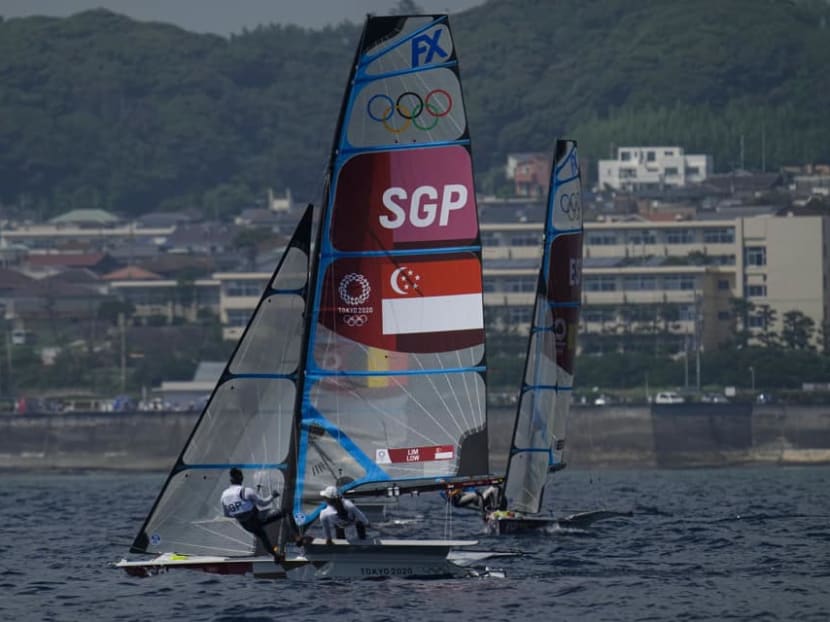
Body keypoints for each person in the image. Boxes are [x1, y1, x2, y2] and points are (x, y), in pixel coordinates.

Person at [220, 467, 285, 561]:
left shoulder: (224, 495)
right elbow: (263, 503)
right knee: (285, 512)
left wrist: (240, 512)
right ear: (241, 478)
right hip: (257, 519)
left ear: (230, 480)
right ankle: (297, 537)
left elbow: (227, 514)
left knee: (262, 535)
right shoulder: (246, 491)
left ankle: (276, 556)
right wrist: (272, 496)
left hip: (246, 526)